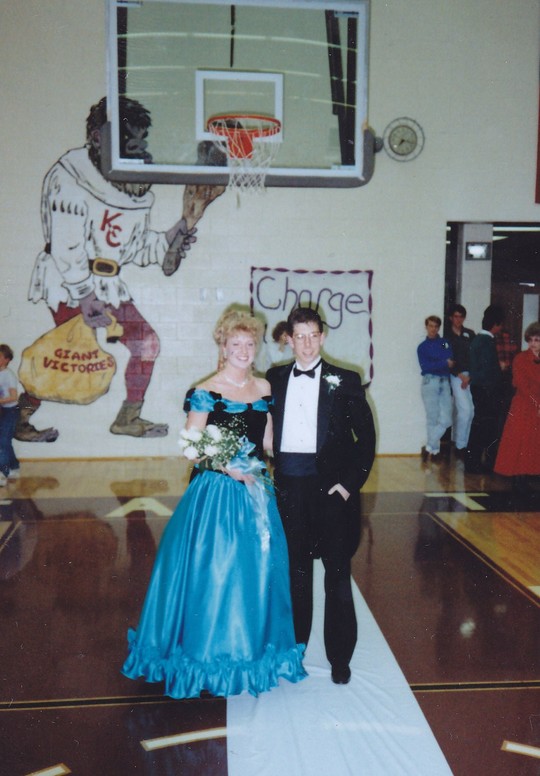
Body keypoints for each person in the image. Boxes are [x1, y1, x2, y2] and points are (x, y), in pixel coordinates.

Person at [122, 309, 306, 698]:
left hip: (257, 492)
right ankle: (211, 654)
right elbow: (192, 448)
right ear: (223, 347)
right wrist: (228, 466)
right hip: (217, 495)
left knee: (258, 571)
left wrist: (309, 449)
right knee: (217, 572)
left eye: (249, 343)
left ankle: (251, 650)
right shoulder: (206, 390)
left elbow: (269, 442)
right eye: (235, 343)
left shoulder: (264, 388)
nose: (243, 350)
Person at [266, 306, 376, 685]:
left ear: (322, 337)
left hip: (331, 492)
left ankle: (340, 658)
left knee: (337, 574)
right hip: (290, 490)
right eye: (300, 336)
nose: (307, 344)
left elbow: (367, 439)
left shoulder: (345, 379)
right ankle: (294, 651)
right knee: (296, 574)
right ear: (289, 340)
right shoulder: (274, 378)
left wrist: (347, 485)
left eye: (313, 335)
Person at [494, 321, 540, 493]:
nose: (533, 343)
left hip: (537, 406)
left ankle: (527, 477)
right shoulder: (520, 359)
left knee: (532, 444)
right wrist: (537, 404)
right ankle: (517, 479)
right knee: (519, 442)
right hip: (524, 405)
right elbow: (522, 385)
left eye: (537, 340)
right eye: (531, 340)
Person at [466, 305, 505, 473]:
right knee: (485, 426)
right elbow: (488, 370)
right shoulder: (487, 342)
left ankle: (473, 462)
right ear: (495, 324)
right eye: (500, 324)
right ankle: (476, 463)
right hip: (486, 390)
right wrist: (500, 368)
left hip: (478, 388)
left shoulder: (477, 339)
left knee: (479, 425)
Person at [417, 316, 454, 462]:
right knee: (432, 418)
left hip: (444, 382)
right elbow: (425, 367)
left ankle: (428, 447)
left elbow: (450, 359)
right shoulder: (422, 347)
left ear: (439, 328)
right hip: (429, 382)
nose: (433, 329)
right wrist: (442, 362)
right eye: (431, 326)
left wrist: (438, 362)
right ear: (426, 327)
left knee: (446, 420)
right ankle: (435, 451)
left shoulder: (444, 342)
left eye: (436, 326)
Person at [445, 304, 475, 458]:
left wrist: (470, 376)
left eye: (461, 317)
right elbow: (447, 360)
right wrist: (460, 375)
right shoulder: (446, 336)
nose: (458, 320)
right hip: (456, 376)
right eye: (456, 316)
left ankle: (465, 443)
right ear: (451, 318)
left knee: (471, 411)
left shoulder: (470, 334)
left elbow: (475, 356)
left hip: (470, 376)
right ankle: (460, 446)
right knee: (465, 410)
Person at [0, 345, 20, 487]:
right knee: (5, 442)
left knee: (3, 442)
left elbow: (13, 397)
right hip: (2, 410)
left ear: (7, 359)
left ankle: (3, 473)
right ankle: (14, 467)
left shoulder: (9, 375)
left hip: (11, 411)